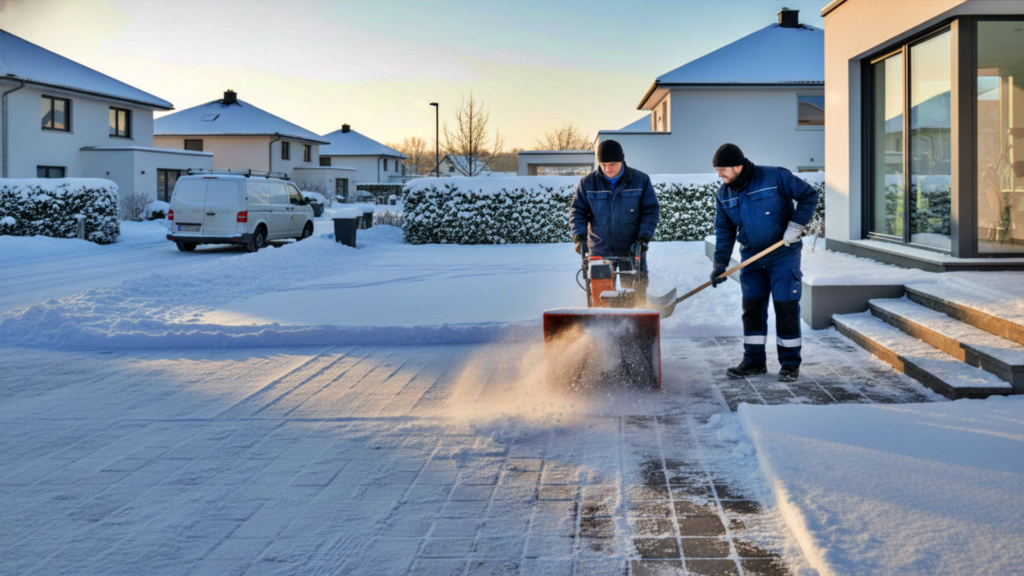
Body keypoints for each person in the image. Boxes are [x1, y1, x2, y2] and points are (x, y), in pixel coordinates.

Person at [709, 143, 819, 382]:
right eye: (717, 170)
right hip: (751, 258)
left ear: (738, 166)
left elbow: (809, 195)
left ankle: (790, 364)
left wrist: (796, 225)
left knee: (786, 308)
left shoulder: (775, 176)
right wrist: (720, 263)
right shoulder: (724, 194)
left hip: (783, 255)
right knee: (752, 310)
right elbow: (724, 229)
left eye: (723, 169)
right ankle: (754, 361)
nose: (719, 175)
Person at [570, 140, 659, 303]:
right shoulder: (588, 183)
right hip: (600, 248)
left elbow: (650, 210)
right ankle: (601, 323)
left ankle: (638, 322)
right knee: (601, 296)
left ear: (622, 161)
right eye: (603, 164)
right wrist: (579, 237)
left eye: (612, 164)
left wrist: (644, 237)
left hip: (632, 247)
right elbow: (578, 212)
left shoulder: (640, 180)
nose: (607, 169)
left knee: (633, 294)